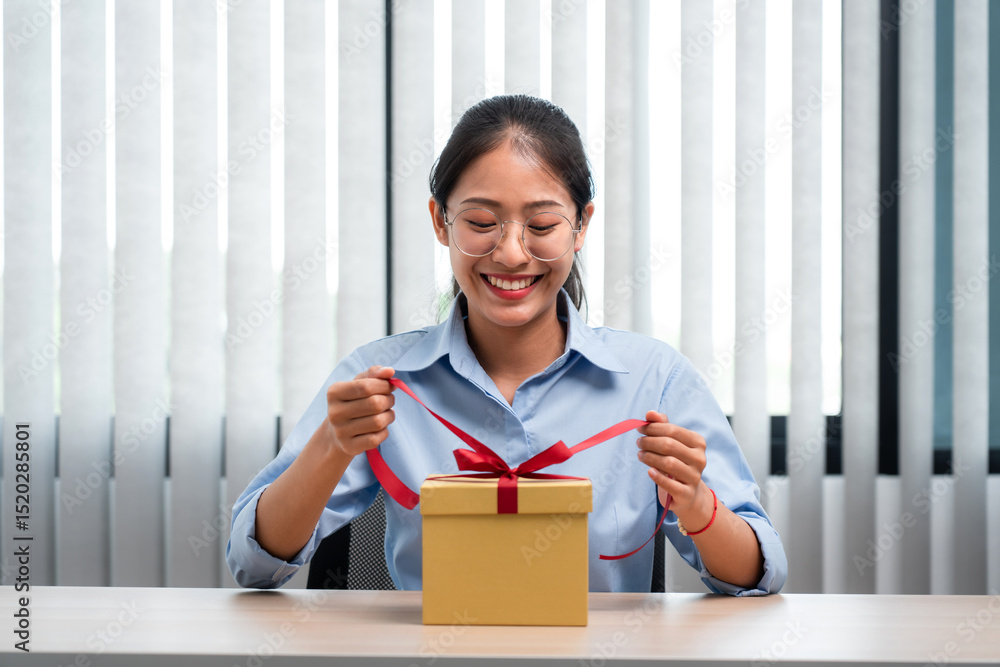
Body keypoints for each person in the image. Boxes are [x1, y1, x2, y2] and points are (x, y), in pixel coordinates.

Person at [227, 94, 787, 596]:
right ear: (441, 222)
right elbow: (254, 564)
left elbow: (759, 575)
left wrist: (696, 502)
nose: (512, 254)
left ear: (580, 226)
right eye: (480, 222)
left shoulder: (655, 381)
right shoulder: (379, 379)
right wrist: (330, 446)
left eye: (541, 226)